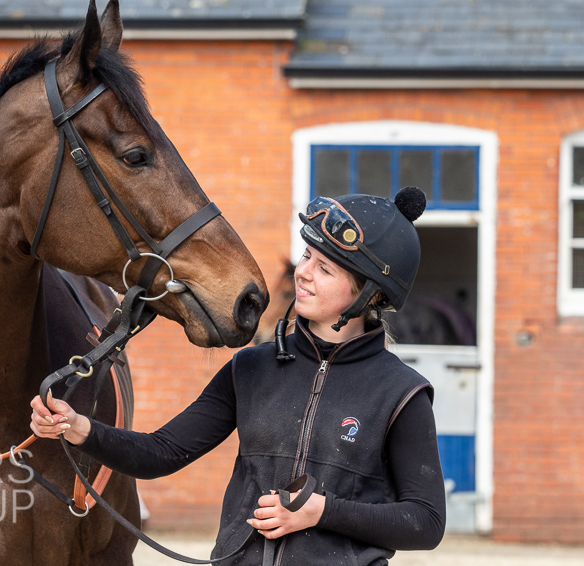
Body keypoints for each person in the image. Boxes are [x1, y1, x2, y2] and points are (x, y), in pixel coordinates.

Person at [30, 187, 446, 566]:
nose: (303, 273)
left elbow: (425, 522)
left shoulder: (401, 393)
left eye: (326, 269)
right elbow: (161, 453)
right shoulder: (251, 369)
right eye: (307, 256)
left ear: (367, 296)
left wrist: (323, 511)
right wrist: (80, 428)